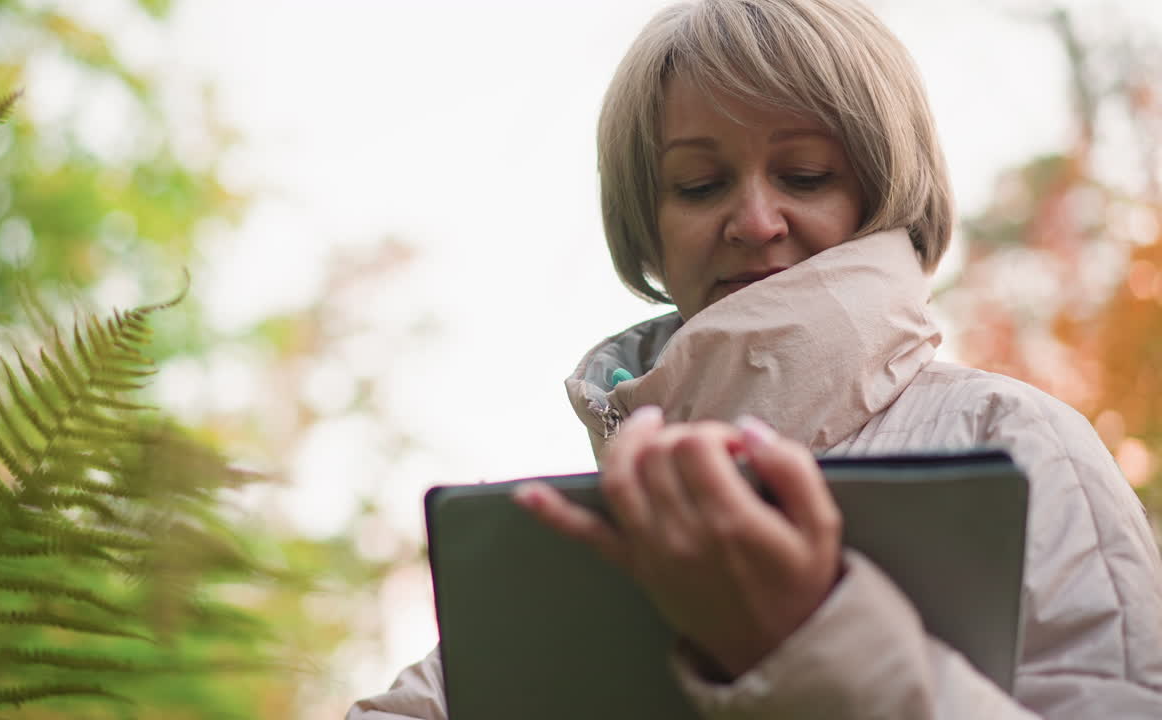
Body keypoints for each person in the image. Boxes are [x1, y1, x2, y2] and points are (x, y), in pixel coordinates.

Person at [348, 0, 1162, 717]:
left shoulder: (1017, 442)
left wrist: (809, 638)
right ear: (651, 227)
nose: (755, 220)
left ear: (881, 190)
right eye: (699, 185)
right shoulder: (582, 527)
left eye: (805, 174)